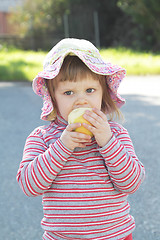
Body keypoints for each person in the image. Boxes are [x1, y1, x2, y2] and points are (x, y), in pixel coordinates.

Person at [17, 38, 145, 240]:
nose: (81, 100)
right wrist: (63, 146)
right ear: (53, 98)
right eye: (68, 92)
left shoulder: (116, 134)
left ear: (103, 94)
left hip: (115, 236)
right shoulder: (42, 138)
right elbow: (29, 185)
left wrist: (107, 142)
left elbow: (131, 183)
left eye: (90, 90)